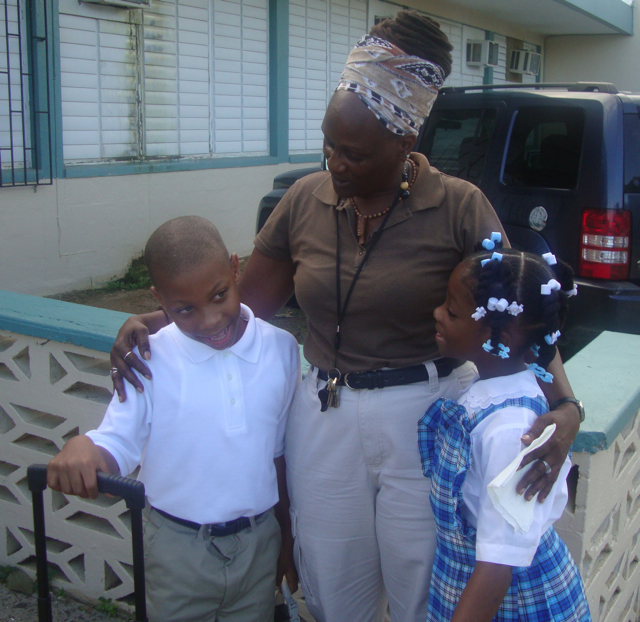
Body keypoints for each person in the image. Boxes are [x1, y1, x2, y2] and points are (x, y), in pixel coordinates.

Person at [108, 12, 584, 622]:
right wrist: (156, 321)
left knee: (419, 588)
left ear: (406, 144)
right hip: (325, 418)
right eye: (329, 144)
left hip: (425, 417)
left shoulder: (458, 205)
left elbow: (516, 309)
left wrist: (566, 407)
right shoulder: (306, 199)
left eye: (354, 154)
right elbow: (243, 305)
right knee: (333, 587)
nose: (335, 163)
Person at [47, 216, 300, 622]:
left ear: (236, 268)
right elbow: (116, 440)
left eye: (219, 295)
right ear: (158, 300)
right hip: (176, 547)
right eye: (185, 309)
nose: (210, 320)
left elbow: (280, 455)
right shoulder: (148, 360)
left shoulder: (282, 350)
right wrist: (85, 447)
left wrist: (286, 537)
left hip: (258, 541)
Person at [419, 237, 590, 621]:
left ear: (501, 338)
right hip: (474, 584)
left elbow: (498, 566)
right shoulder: (489, 396)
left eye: (453, 312)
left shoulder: (511, 431)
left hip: (509, 602)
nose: (437, 313)